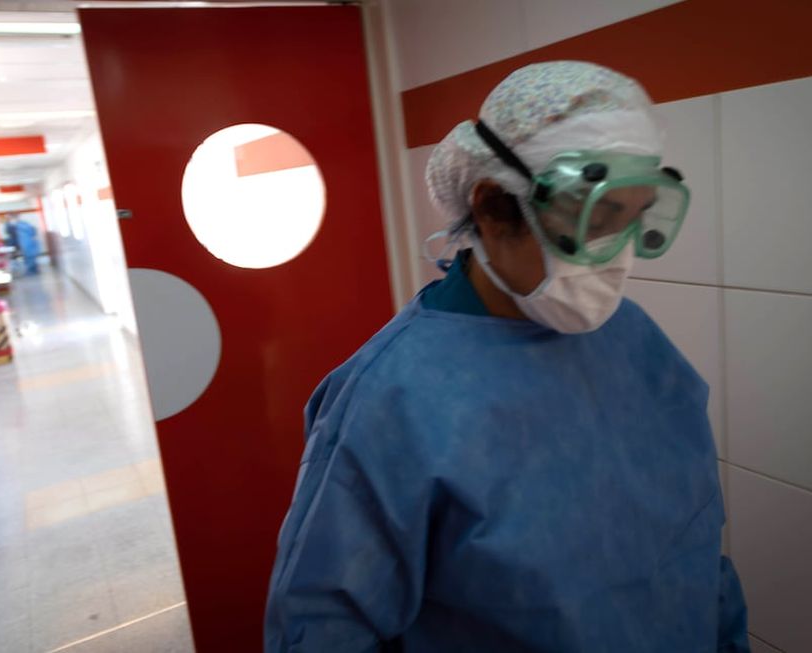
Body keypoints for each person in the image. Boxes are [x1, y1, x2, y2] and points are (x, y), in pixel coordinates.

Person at [265, 61, 750, 652]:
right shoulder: (391, 400)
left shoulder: (639, 344)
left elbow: (699, 558)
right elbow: (324, 626)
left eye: (632, 220)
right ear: (493, 209)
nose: (617, 258)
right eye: (594, 220)